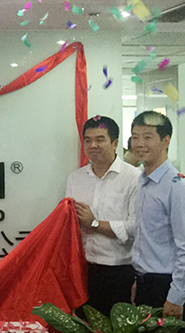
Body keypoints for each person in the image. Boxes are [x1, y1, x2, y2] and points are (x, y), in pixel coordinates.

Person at [66, 115, 140, 316]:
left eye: (100, 139)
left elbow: (135, 227)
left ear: (115, 143)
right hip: (82, 270)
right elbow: (68, 224)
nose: (93, 145)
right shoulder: (76, 178)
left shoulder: (133, 178)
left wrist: (95, 223)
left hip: (118, 270)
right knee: (83, 326)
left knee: (115, 328)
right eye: (88, 140)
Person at [131, 111, 185, 320]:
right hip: (144, 282)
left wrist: (176, 296)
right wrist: (138, 281)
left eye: (147, 137)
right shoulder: (142, 181)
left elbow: (184, 246)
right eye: (135, 137)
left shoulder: (176, 186)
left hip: (167, 285)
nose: (139, 144)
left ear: (166, 141)